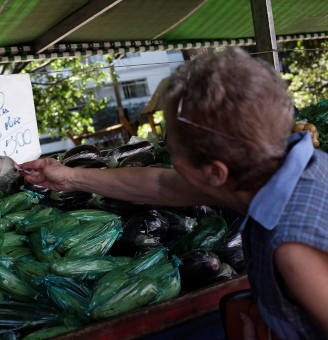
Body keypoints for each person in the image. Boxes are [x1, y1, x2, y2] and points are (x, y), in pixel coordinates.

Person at [21, 48, 328, 339]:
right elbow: (161, 185)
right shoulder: (278, 170)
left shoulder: (293, 247)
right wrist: (70, 177)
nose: (165, 149)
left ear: (215, 173)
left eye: (174, 148)